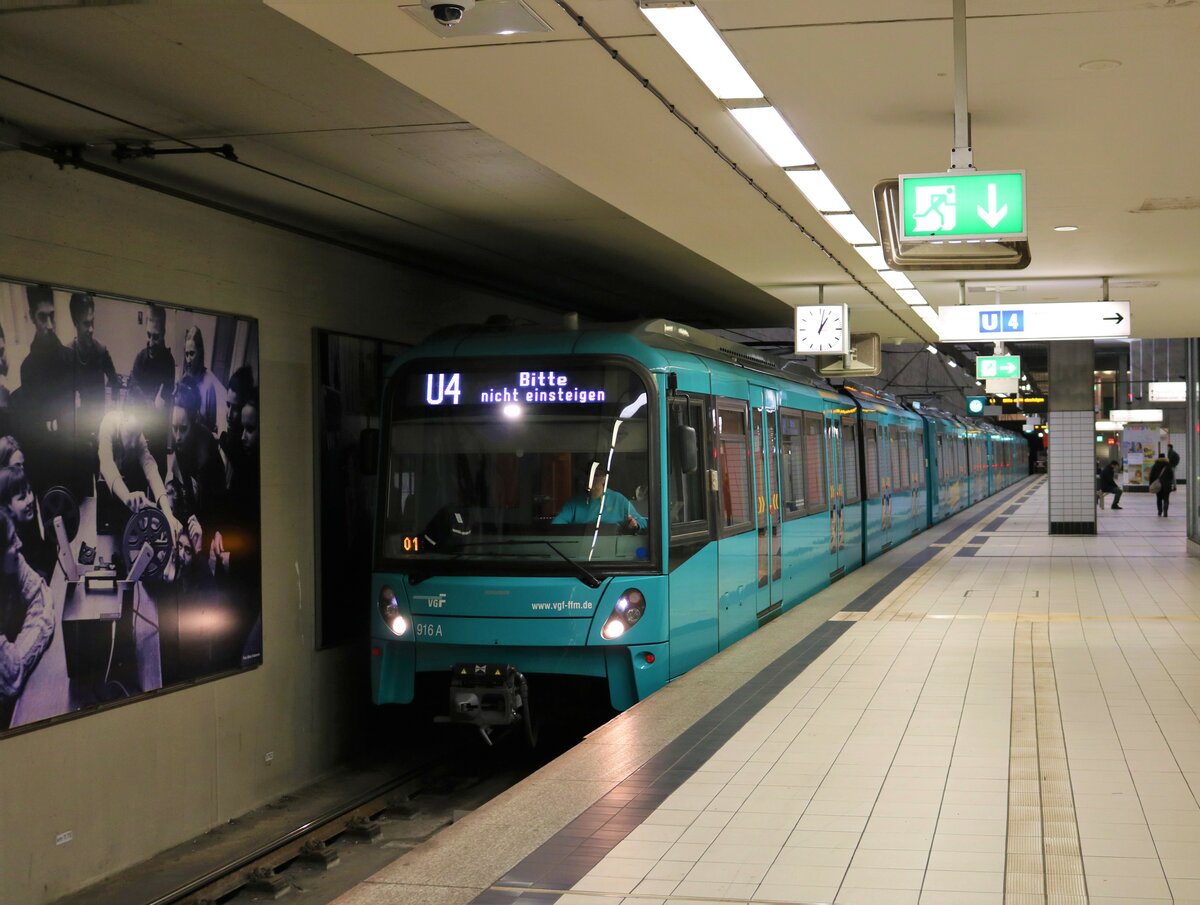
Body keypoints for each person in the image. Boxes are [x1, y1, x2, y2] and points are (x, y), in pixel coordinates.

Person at [0, 508, 54, 730]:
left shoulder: (14, 560)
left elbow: (39, 598)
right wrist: (42, 625)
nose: (20, 544)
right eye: (12, 541)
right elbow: (11, 676)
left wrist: (16, 657)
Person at [16, 284, 73, 492]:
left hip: (70, 460)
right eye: (42, 317)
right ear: (32, 317)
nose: (49, 325)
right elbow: (33, 429)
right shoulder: (28, 368)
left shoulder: (69, 358)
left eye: (52, 316)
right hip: (43, 465)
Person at [97, 408, 183, 540]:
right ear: (122, 420)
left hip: (126, 485)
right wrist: (126, 496)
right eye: (130, 434)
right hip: (108, 487)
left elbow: (150, 468)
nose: (133, 443)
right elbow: (106, 464)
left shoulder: (136, 433)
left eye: (136, 436)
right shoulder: (108, 424)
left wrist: (167, 512)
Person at [169, 382, 226, 542]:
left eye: (183, 428)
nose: (178, 436)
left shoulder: (205, 451)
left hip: (214, 507)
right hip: (197, 499)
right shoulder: (180, 440)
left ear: (193, 423)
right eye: (174, 428)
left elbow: (209, 506)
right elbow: (182, 486)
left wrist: (200, 526)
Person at [128, 304, 175, 475]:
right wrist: (149, 401)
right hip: (138, 432)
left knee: (157, 479)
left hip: (157, 436)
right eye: (148, 335)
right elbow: (131, 388)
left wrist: (144, 399)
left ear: (163, 334)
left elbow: (162, 403)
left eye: (156, 337)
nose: (151, 342)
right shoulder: (140, 358)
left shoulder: (169, 362)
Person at [0, 466, 55, 581]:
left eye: (29, 492)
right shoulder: (7, 541)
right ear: (6, 505)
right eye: (22, 497)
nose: (30, 500)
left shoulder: (26, 527)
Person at [552, 466, 647, 530]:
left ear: (604, 478)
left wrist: (635, 524)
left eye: (595, 475)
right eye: (588, 474)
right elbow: (557, 525)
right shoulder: (574, 502)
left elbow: (642, 521)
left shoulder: (618, 499)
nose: (590, 478)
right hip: (581, 548)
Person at [181, 326, 226, 435]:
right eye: (186, 354)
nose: (188, 360)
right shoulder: (184, 380)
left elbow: (211, 425)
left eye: (192, 353)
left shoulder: (209, 383)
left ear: (200, 353)